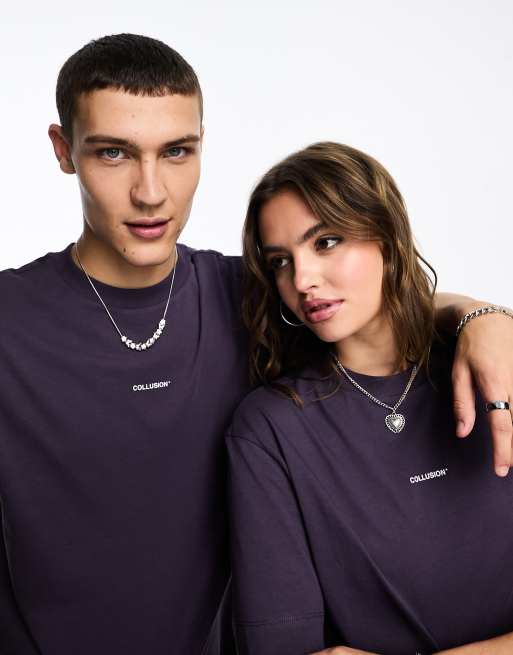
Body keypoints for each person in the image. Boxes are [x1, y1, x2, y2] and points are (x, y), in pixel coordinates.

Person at [0, 34, 510, 655]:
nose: (150, 191)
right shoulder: (11, 318)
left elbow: (370, 310)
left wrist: (482, 316)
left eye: (176, 151)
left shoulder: (254, 298)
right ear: (63, 150)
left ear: (200, 145)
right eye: (113, 153)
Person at [227, 142, 513, 655]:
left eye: (326, 241)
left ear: (386, 236)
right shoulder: (271, 429)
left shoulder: (494, 365)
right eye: (281, 262)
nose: (302, 280)